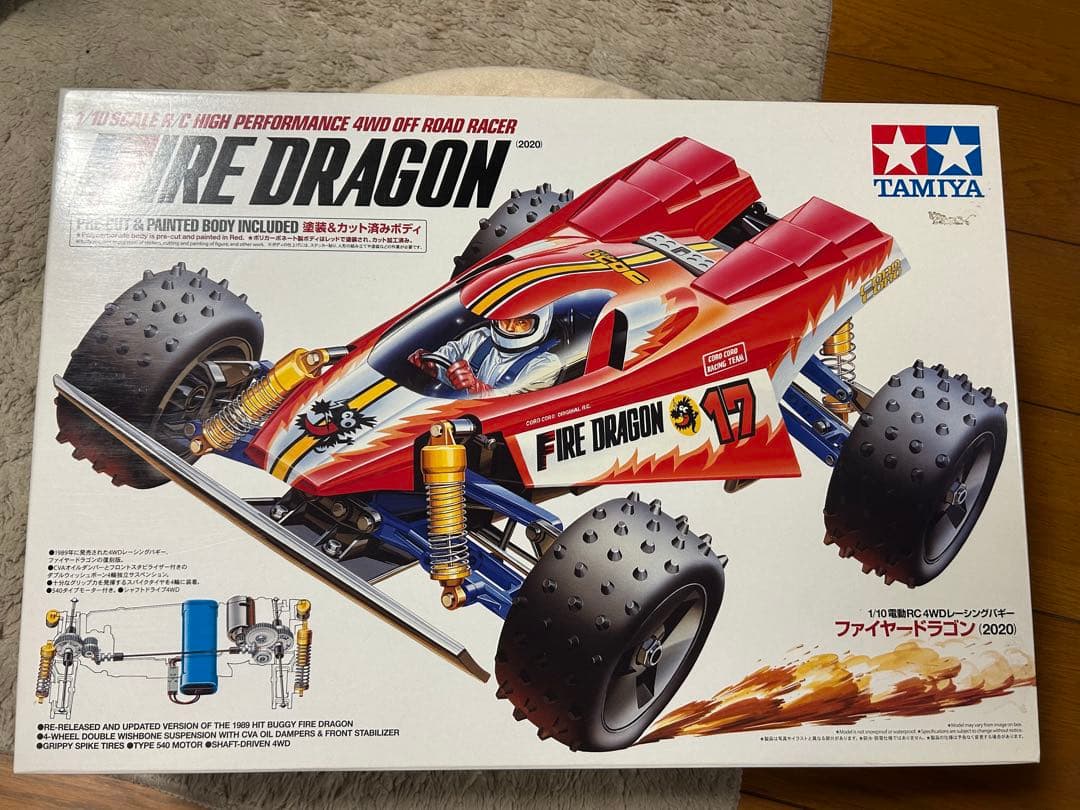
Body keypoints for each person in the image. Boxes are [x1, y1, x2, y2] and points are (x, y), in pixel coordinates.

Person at [409, 305, 562, 396]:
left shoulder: (546, 364)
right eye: (506, 318)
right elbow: (445, 358)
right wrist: (433, 369)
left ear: (540, 324)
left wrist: (476, 387)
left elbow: (517, 404)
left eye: (521, 322)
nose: (509, 328)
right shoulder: (478, 337)